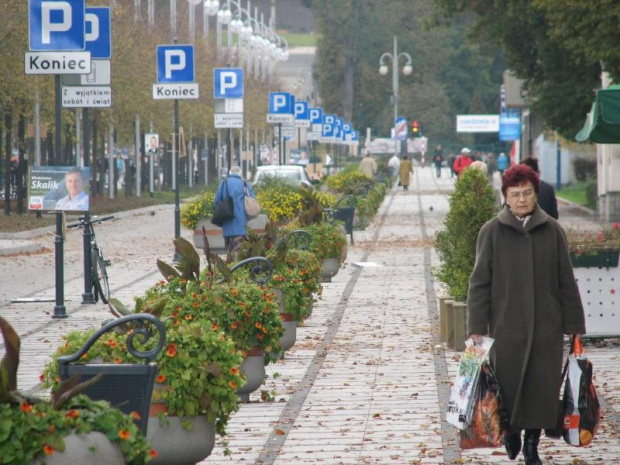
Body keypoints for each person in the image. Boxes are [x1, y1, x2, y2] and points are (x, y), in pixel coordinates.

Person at [467, 164, 585, 465]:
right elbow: (480, 282)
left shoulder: (553, 231)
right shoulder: (491, 232)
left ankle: (532, 444)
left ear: (536, 195)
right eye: (515, 194)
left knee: (542, 388)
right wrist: (476, 327)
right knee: (506, 386)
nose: (521, 199)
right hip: (507, 327)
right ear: (505, 196)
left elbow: (565, 280)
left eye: (527, 193)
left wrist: (574, 326)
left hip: (547, 327)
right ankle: (511, 432)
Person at [214, 165, 256, 253]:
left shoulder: (224, 183)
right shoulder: (244, 184)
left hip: (227, 221)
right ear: (240, 173)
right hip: (241, 223)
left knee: (229, 251)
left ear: (230, 173)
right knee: (240, 252)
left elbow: (217, 201)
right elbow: (252, 199)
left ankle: (230, 264)